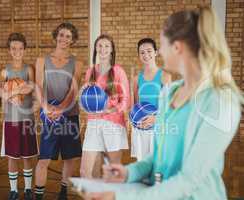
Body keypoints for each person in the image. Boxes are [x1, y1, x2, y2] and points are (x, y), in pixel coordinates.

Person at [85, 7, 243, 200]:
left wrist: (123, 196)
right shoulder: (172, 93)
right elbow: (158, 155)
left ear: (177, 47)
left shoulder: (220, 101)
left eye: (160, 45)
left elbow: (189, 178)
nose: (158, 52)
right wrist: (129, 173)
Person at [34, 22, 83, 200]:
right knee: (44, 159)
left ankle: (63, 192)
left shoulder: (77, 63)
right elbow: (38, 85)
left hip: (69, 115)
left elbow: (73, 90)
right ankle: (38, 196)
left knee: (70, 158)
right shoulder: (42, 60)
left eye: (68, 36)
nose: (64, 39)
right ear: (56, 36)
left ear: (73, 40)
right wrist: (47, 108)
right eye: (61, 35)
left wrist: (60, 109)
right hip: (49, 116)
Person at [80, 34, 130, 178]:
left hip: (113, 123)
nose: (103, 49)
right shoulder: (90, 71)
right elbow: (85, 99)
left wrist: (110, 110)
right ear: (95, 48)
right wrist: (84, 91)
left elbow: (126, 101)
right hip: (94, 122)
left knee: (112, 171)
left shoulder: (118, 71)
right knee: (86, 171)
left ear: (112, 50)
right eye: (100, 46)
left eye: (107, 46)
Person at [0, 32, 37, 200]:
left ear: (24, 50)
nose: (17, 51)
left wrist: (13, 91)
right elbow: (0, 92)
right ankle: (14, 190)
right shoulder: (4, 71)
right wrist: (13, 93)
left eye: (20, 48)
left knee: (28, 156)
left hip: (27, 119)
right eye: (13, 48)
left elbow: (31, 88)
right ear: (9, 50)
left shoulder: (29, 69)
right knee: (12, 157)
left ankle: (28, 189)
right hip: (11, 119)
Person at [131, 38, 171, 161]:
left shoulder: (164, 76)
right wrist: (135, 121)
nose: (146, 55)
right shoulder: (136, 79)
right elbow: (135, 105)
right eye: (142, 52)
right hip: (141, 129)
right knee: (142, 167)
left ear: (155, 52)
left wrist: (155, 118)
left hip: (158, 128)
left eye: (149, 51)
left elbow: (168, 106)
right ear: (139, 55)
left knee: (158, 168)